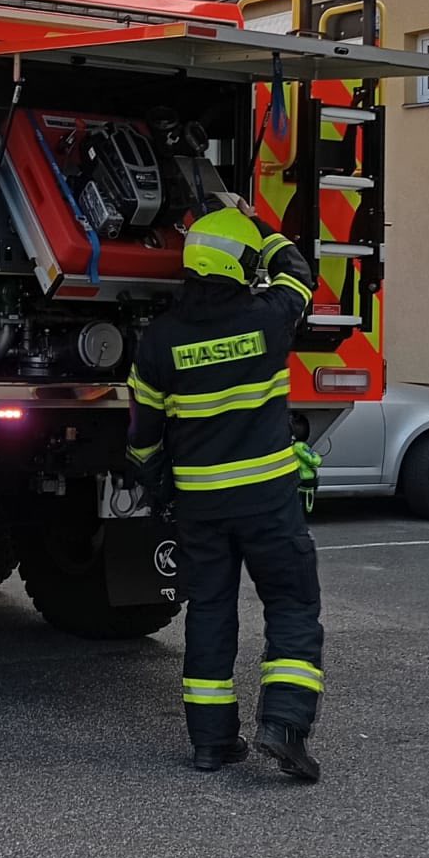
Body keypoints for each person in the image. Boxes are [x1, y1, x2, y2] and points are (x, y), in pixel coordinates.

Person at [126, 200, 325, 782]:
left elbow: (142, 433)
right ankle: (283, 726)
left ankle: (212, 744)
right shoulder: (269, 318)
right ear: (240, 266)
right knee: (290, 604)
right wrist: (258, 225)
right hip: (268, 499)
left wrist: (155, 476)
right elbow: (298, 272)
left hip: (200, 505)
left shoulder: (160, 340)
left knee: (210, 611)